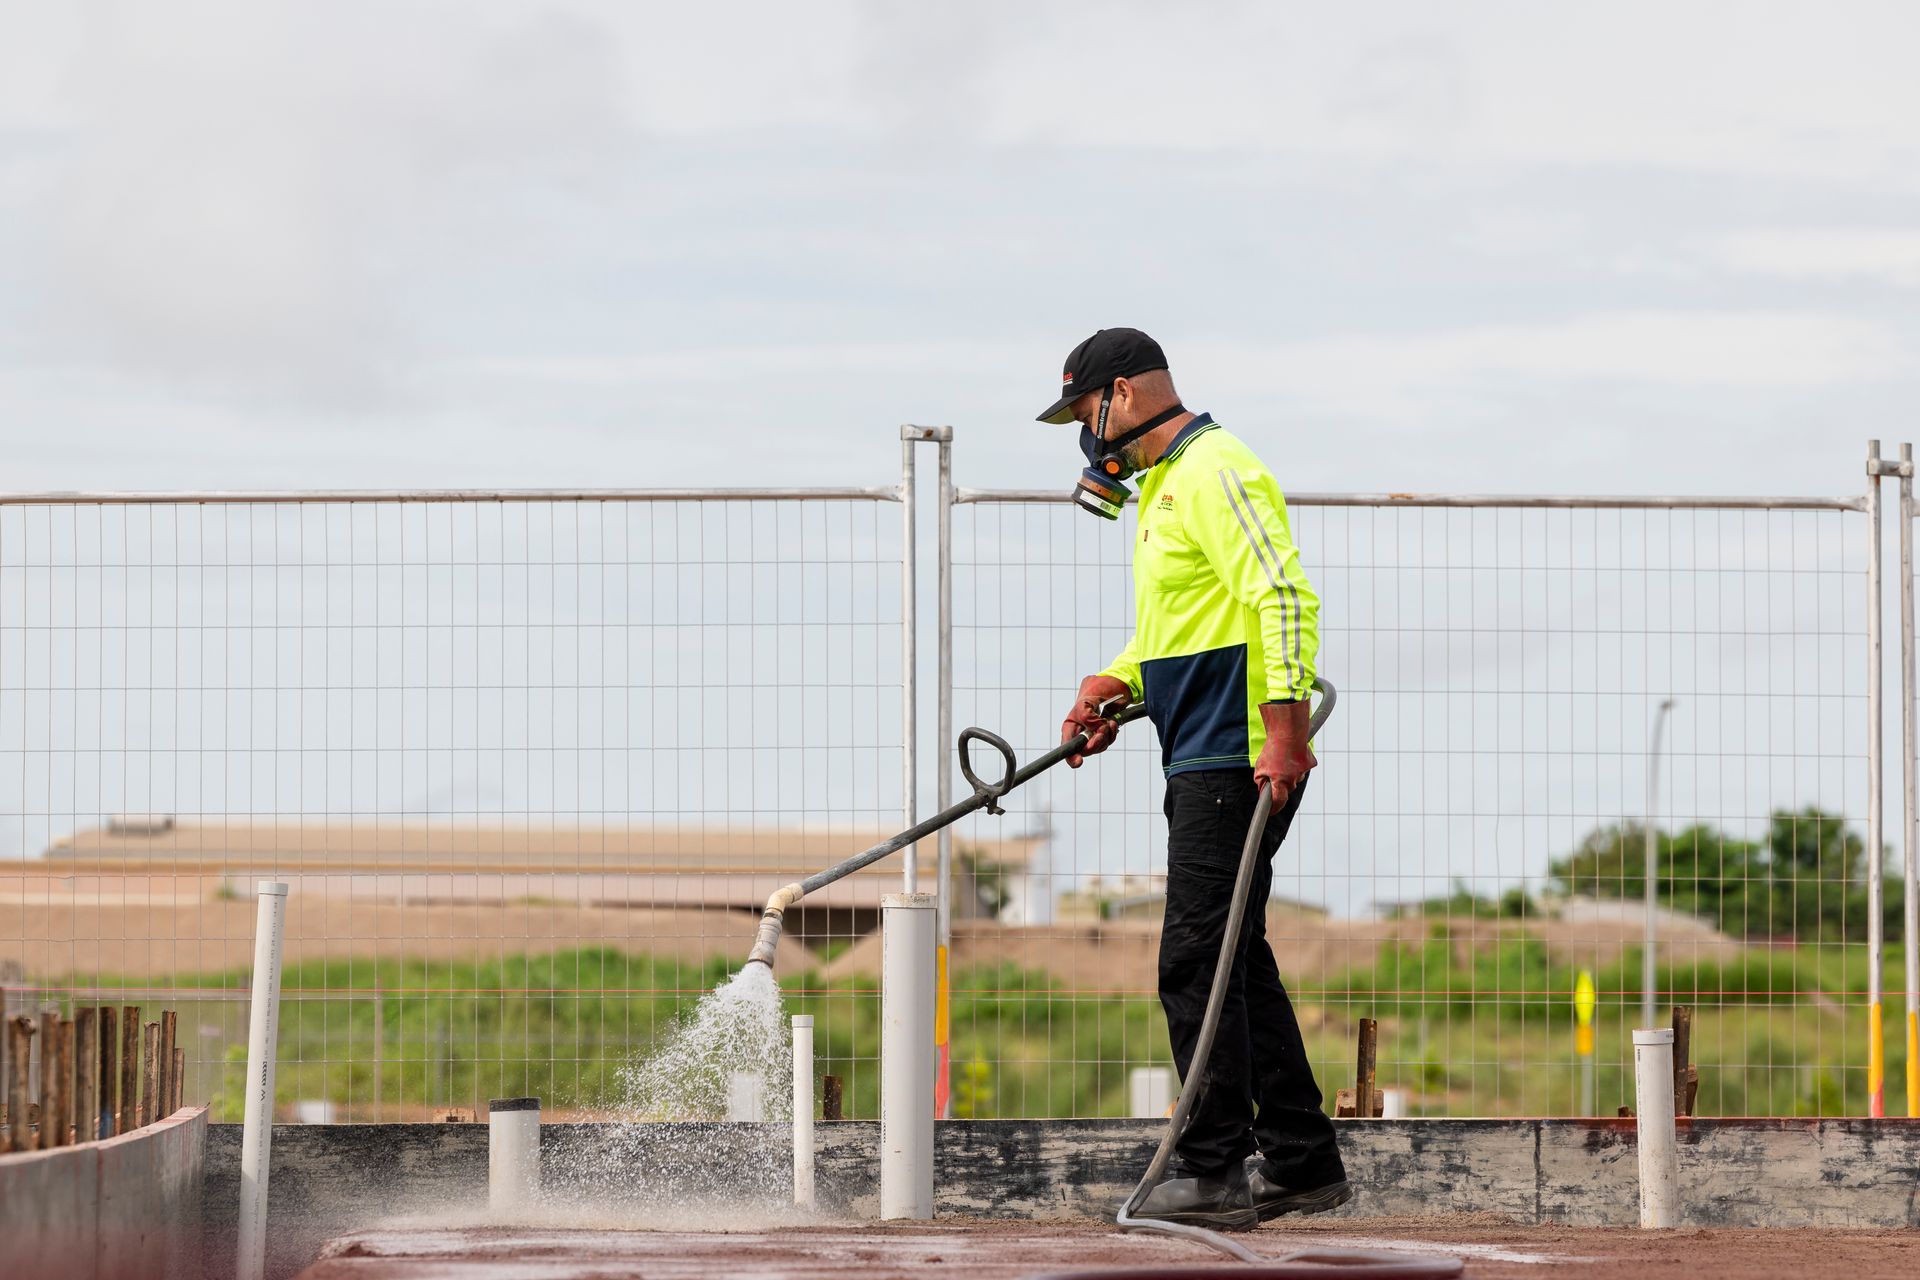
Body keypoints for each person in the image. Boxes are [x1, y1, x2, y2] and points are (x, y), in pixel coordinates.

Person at [1040, 327, 1350, 1231]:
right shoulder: (1165, 491)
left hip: (1234, 751)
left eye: (1085, 415)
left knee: (1194, 958)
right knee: (1233, 959)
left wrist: (1285, 733)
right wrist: (1118, 681)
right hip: (1198, 749)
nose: (1087, 440)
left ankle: (1213, 1170)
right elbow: (1186, 623)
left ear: (1123, 394)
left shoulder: (1217, 469)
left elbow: (1282, 596)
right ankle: (1299, 1160)